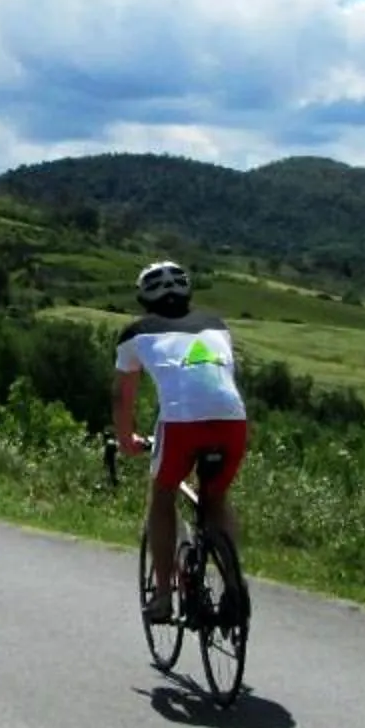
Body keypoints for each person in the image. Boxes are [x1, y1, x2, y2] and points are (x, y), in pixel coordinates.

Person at [110, 259, 249, 625]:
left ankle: (163, 596)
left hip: (182, 421)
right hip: (233, 418)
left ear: (143, 298)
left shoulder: (135, 334)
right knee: (215, 499)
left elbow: (122, 398)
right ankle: (236, 587)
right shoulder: (217, 325)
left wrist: (126, 440)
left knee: (162, 496)